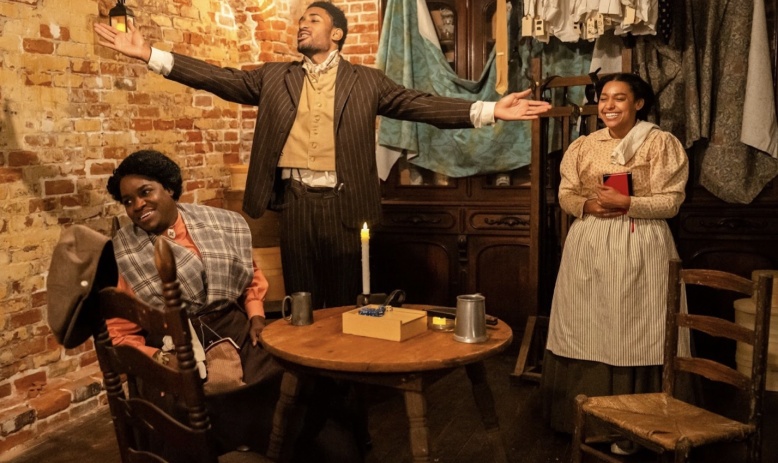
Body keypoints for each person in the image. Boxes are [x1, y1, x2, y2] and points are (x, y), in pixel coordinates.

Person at [93, 1, 551, 311]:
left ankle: (346, 401)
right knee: (301, 302)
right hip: (293, 203)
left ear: (338, 33)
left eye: (313, 19)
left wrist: (491, 108)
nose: (303, 24)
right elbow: (217, 78)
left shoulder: (368, 81)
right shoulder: (274, 78)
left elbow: (420, 105)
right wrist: (149, 53)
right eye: (301, 20)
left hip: (345, 206)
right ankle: (306, 398)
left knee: (345, 301)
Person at [540, 73, 689, 455]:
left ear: (638, 103)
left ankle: (640, 425)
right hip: (589, 244)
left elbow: (671, 202)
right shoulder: (584, 145)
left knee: (638, 325)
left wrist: (627, 203)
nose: (608, 105)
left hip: (641, 243)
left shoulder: (659, 144)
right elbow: (566, 193)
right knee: (588, 322)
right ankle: (585, 419)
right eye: (604, 98)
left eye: (619, 98)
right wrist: (587, 205)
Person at [106, 149, 282, 453]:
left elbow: (248, 273)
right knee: (190, 408)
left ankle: (268, 443)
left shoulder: (217, 223)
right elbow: (121, 335)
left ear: (169, 188)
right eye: (128, 201)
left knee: (285, 378)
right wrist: (159, 358)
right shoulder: (126, 253)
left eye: (145, 192)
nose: (137, 206)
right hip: (173, 345)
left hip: (234, 328)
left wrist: (256, 315)